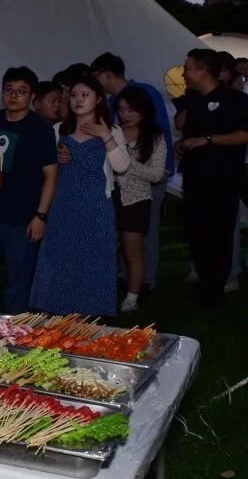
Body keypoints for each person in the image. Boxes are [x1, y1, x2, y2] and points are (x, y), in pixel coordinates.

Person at [29, 77, 130, 316]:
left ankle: (90, 316)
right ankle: (55, 314)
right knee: (59, 259)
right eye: (73, 95)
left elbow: (122, 166)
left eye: (85, 95)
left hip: (96, 205)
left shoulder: (112, 130)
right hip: (62, 205)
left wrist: (105, 136)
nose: (78, 100)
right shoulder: (58, 130)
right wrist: (56, 158)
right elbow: (45, 170)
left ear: (98, 99)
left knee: (93, 260)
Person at [0, 67, 57, 317]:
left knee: (18, 278)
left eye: (21, 91)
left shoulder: (40, 129)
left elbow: (51, 175)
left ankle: (16, 328)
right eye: (9, 89)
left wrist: (40, 216)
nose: (13, 95)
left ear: (32, 96)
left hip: (22, 217)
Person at [90, 51, 174, 294]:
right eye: (123, 110)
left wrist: (165, 167)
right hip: (117, 183)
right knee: (120, 234)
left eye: (96, 78)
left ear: (106, 75)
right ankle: (123, 278)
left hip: (148, 177)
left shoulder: (145, 93)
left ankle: (145, 280)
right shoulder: (111, 103)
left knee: (144, 232)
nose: (126, 114)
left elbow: (159, 133)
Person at [176, 48, 248, 306]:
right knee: (195, 232)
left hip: (222, 180)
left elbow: (244, 134)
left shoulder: (235, 100)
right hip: (195, 180)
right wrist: (182, 145)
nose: (184, 73)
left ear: (203, 71)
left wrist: (208, 140)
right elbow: (187, 132)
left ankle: (214, 290)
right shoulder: (194, 102)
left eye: (187, 68)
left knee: (218, 235)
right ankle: (205, 284)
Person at [114, 87, 168, 312]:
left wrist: (125, 162)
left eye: (131, 110)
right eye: (121, 110)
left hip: (137, 199)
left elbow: (156, 174)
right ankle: (102, 291)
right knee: (105, 248)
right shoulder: (112, 132)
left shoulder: (155, 137)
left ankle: (132, 298)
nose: (126, 115)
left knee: (132, 251)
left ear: (143, 110)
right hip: (108, 196)